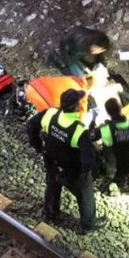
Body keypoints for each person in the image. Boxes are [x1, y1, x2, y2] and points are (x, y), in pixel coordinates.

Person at [26, 89, 108, 234]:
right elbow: (88, 160)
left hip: (51, 161)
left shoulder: (50, 114)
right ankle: (88, 225)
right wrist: (84, 174)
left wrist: (39, 146)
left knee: (52, 185)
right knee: (85, 194)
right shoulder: (79, 131)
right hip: (72, 170)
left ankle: (51, 213)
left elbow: (31, 125)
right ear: (77, 107)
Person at [97, 97, 129, 195]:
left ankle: (114, 182)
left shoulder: (106, 128)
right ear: (121, 108)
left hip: (113, 166)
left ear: (108, 112)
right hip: (128, 161)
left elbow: (99, 141)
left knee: (97, 149)